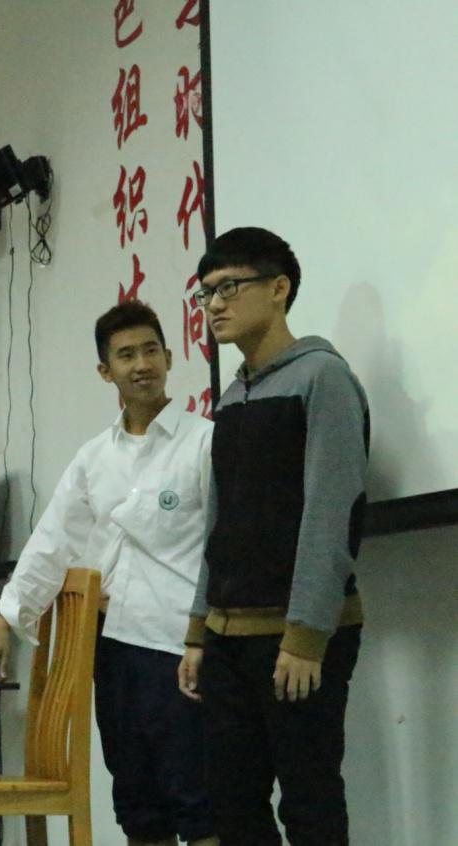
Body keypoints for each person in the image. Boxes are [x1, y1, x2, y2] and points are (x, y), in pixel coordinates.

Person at [0, 301, 217, 846]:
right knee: (136, 803)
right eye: (126, 355)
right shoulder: (94, 457)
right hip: (111, 648)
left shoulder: (204, 442)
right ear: (105, 371)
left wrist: (204, 638)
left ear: (170, 357)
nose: (142, 364)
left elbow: (222, 548)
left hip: (179, 645)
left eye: (151, 351)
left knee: (200, 802)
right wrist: (3, 623)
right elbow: (51, 542)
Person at [178, 227, 369, 845]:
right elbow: (220, 520)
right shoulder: (233, 395)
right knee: (233, 811)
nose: (214, 305)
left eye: (229, 287)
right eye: (206, 293)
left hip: (296, 636)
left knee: (309, 806)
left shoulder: (322, 378)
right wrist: (198, 631)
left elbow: (331, 513)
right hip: (227, 639)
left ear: (280, 288)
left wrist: (306, 636)